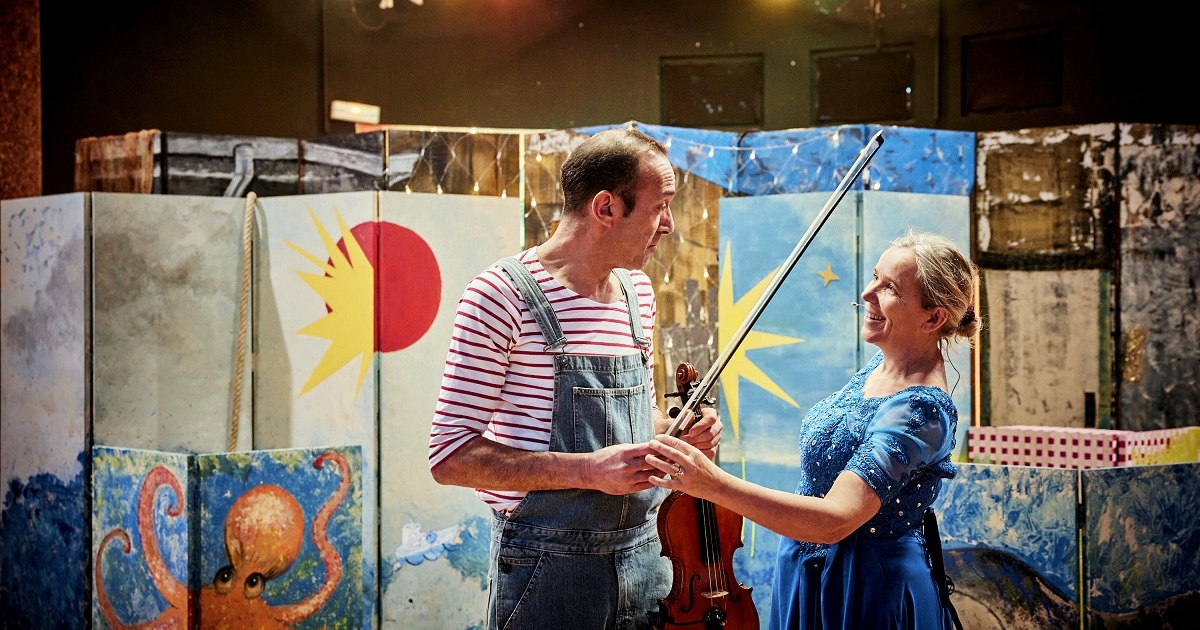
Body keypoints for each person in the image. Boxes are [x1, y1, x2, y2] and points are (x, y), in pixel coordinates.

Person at [428, 128, 723, 630]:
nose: (670, 225)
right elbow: (450, 456)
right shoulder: (499, 295)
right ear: (606, 207)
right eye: (660, 206)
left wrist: (678, 431)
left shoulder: (638, 292)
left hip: (650, 561)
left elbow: (639, 419)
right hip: (547, 568)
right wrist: (586, 471)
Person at [645, 228, 979, 630]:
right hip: (811, 574)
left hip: (866, 588)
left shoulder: (921, 409)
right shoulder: (882, 365)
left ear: (933, 317)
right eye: (875, 276)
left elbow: (835, 519)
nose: (867, 293)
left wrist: (712, 484)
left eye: (890, 287)